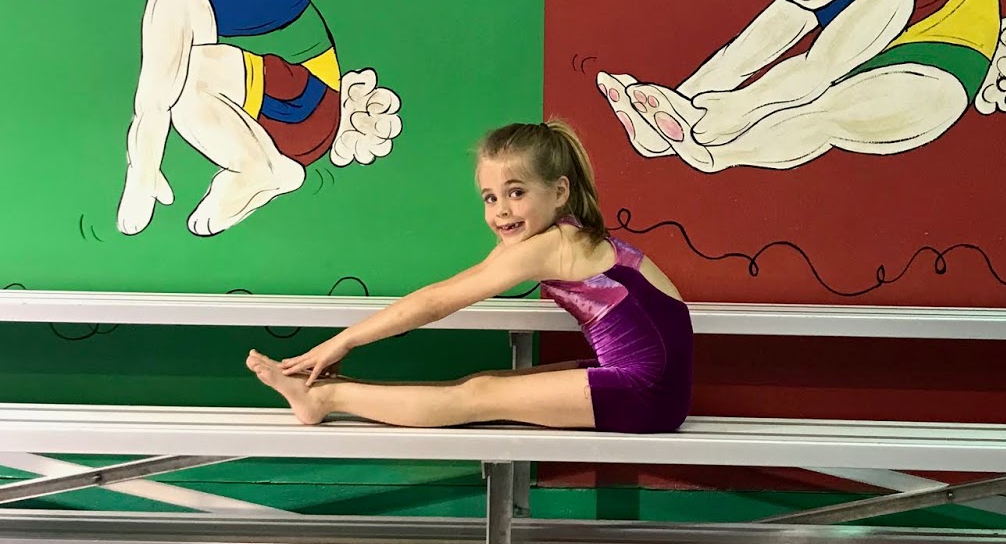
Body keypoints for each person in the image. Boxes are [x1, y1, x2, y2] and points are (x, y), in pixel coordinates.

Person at [245, 119, 694, 432]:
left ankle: (324, 398)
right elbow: (450, 288)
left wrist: (343, 341)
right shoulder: (561, 236)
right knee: (480, 384)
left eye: (516, 193)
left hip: (647, 390)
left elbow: (436, 303)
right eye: (490, 198)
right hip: (647, 379)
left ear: (559, 192)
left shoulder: (550, 246)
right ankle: (330, 391)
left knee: (477, 395)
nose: (502, 211)